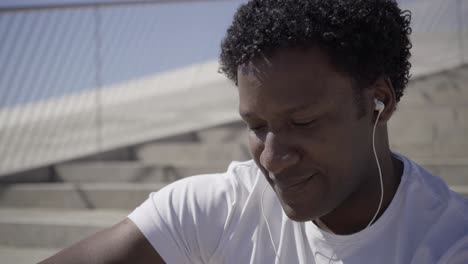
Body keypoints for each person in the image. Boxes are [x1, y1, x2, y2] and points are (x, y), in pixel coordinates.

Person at [40, 0, 468, 263]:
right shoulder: (216, 209)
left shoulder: (449, 242)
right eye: (257, 126)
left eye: (302, 122)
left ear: (380, 101)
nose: (270, 157)